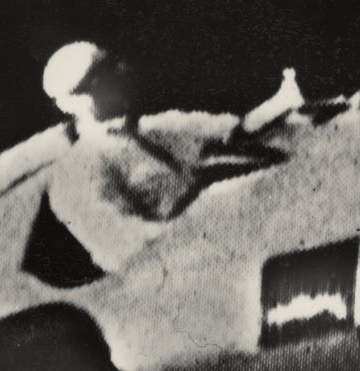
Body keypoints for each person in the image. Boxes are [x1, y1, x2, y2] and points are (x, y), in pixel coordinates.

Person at [41, 42, 305, 270]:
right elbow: (123, 249)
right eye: (111, 68)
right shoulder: (80, 168)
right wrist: (209, 221)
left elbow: (231, 132)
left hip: (221, 239)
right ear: (92, 89)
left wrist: (283, 101)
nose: (124, 70)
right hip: (184, 270)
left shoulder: (151, 131)